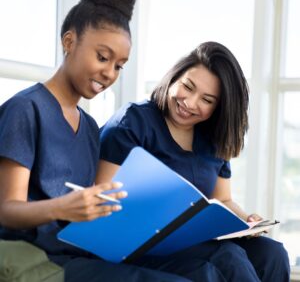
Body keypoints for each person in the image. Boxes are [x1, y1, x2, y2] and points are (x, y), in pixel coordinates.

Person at [0, 0, 201, 281]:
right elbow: (6, 210)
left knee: (201, 270)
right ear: (69, 41)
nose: (110, 73)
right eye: (103, 57)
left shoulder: (90, 128)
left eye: (120, 66)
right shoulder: (24, 110)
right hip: (27, 255)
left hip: (76, 253)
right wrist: (63, 208)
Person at [97, 41, 291, 281]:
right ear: (175, 77)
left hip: (192, 241)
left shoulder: (213, 139)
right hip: (138, 242)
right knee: (226, 259)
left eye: (207, 100)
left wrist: (247, 221)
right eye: (187, 87)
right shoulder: (134, 121)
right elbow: (101, 197)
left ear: (220, 108)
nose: (189, 103)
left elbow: (223, 199)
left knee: (272, 253)